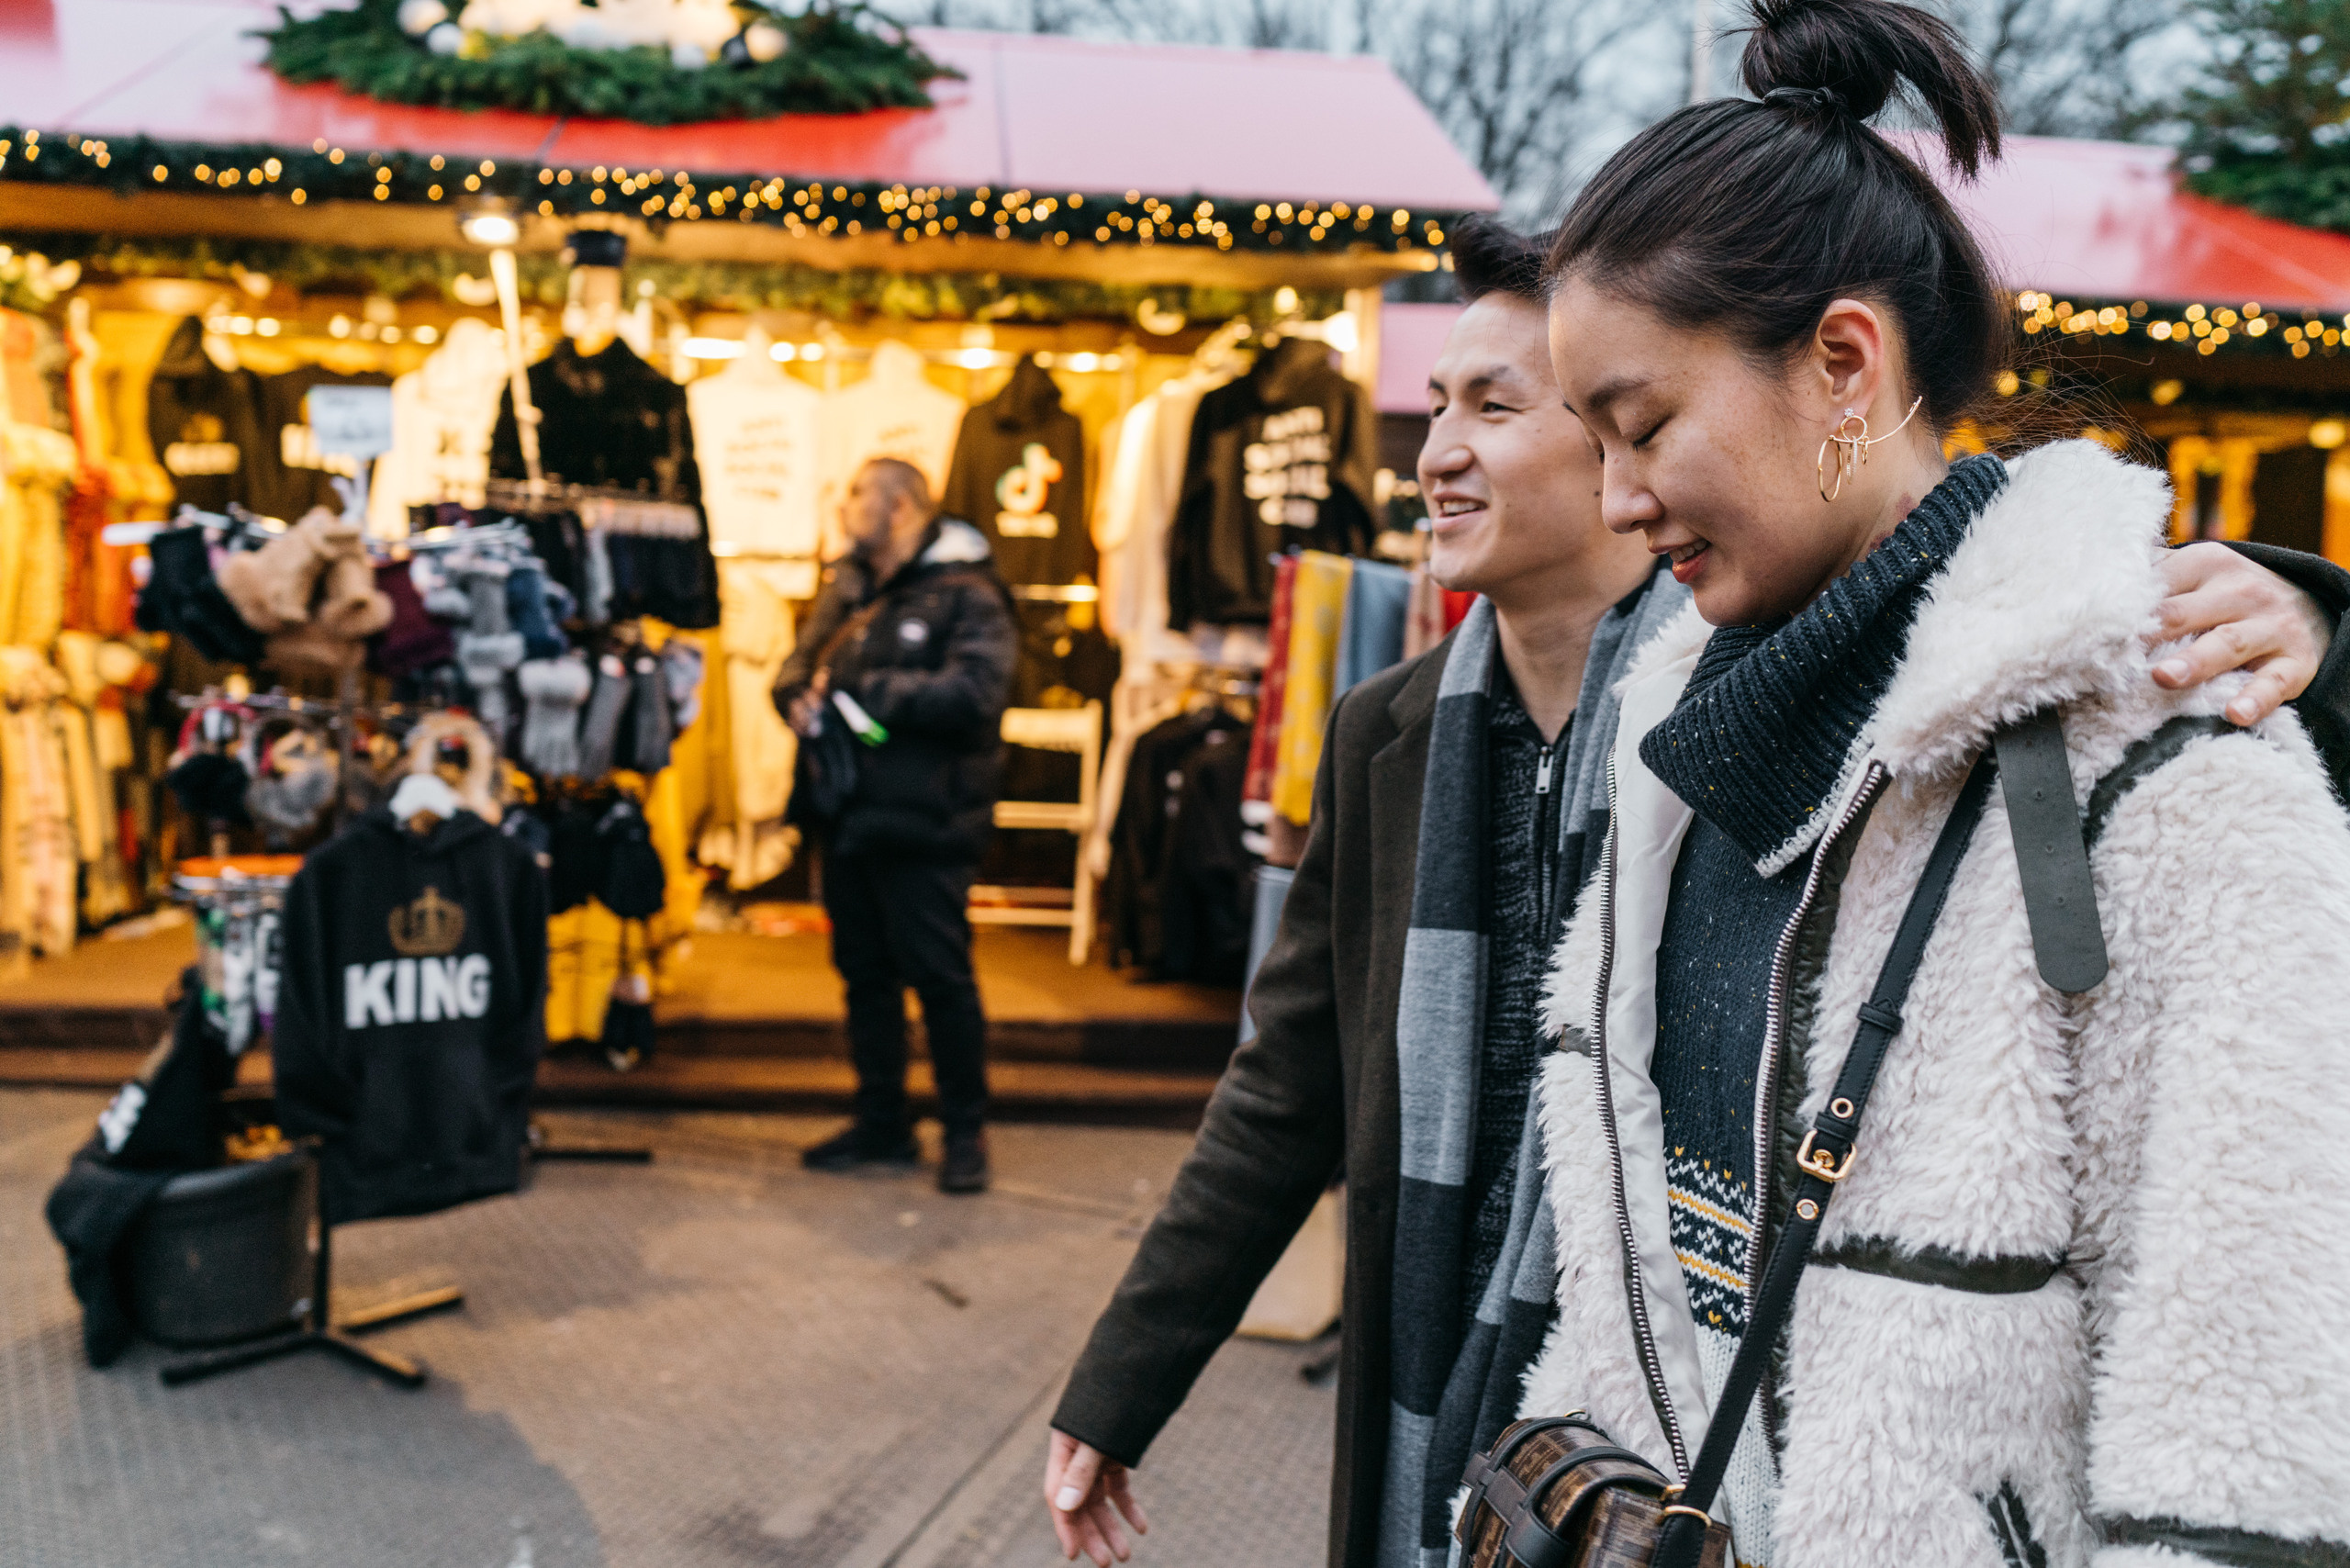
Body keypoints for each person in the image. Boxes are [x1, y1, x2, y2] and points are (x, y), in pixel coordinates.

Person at [1039, 216, 2350, 1565]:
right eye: (1439, 405)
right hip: (1497, 1430)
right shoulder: (1444, 736)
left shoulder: (1765, 714)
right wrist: (1122, 1382)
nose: (1438, 452)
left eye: (1521, 409)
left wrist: (2317, 629)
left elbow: (2249, 1342)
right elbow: (1289, 1083)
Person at [1510, 4, 2350, 1566]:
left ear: (1843, 360)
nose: (1618, 500)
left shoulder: (2171, 761)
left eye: (1644, 427)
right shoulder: (1672, 751)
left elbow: (2258, 1425)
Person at [775, 457, 1016, 1195]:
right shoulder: (847, 583)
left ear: (901, 506)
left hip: (927, 820)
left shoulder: (968, 593)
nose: (843, 506)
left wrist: (863, 692)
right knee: (864, 978)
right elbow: (796, 666)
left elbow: (978, 694)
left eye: (855, 494)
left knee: (940, 978)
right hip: (847, 816)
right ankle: (883, 1122)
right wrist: (794, 698)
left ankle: (963, 1131)